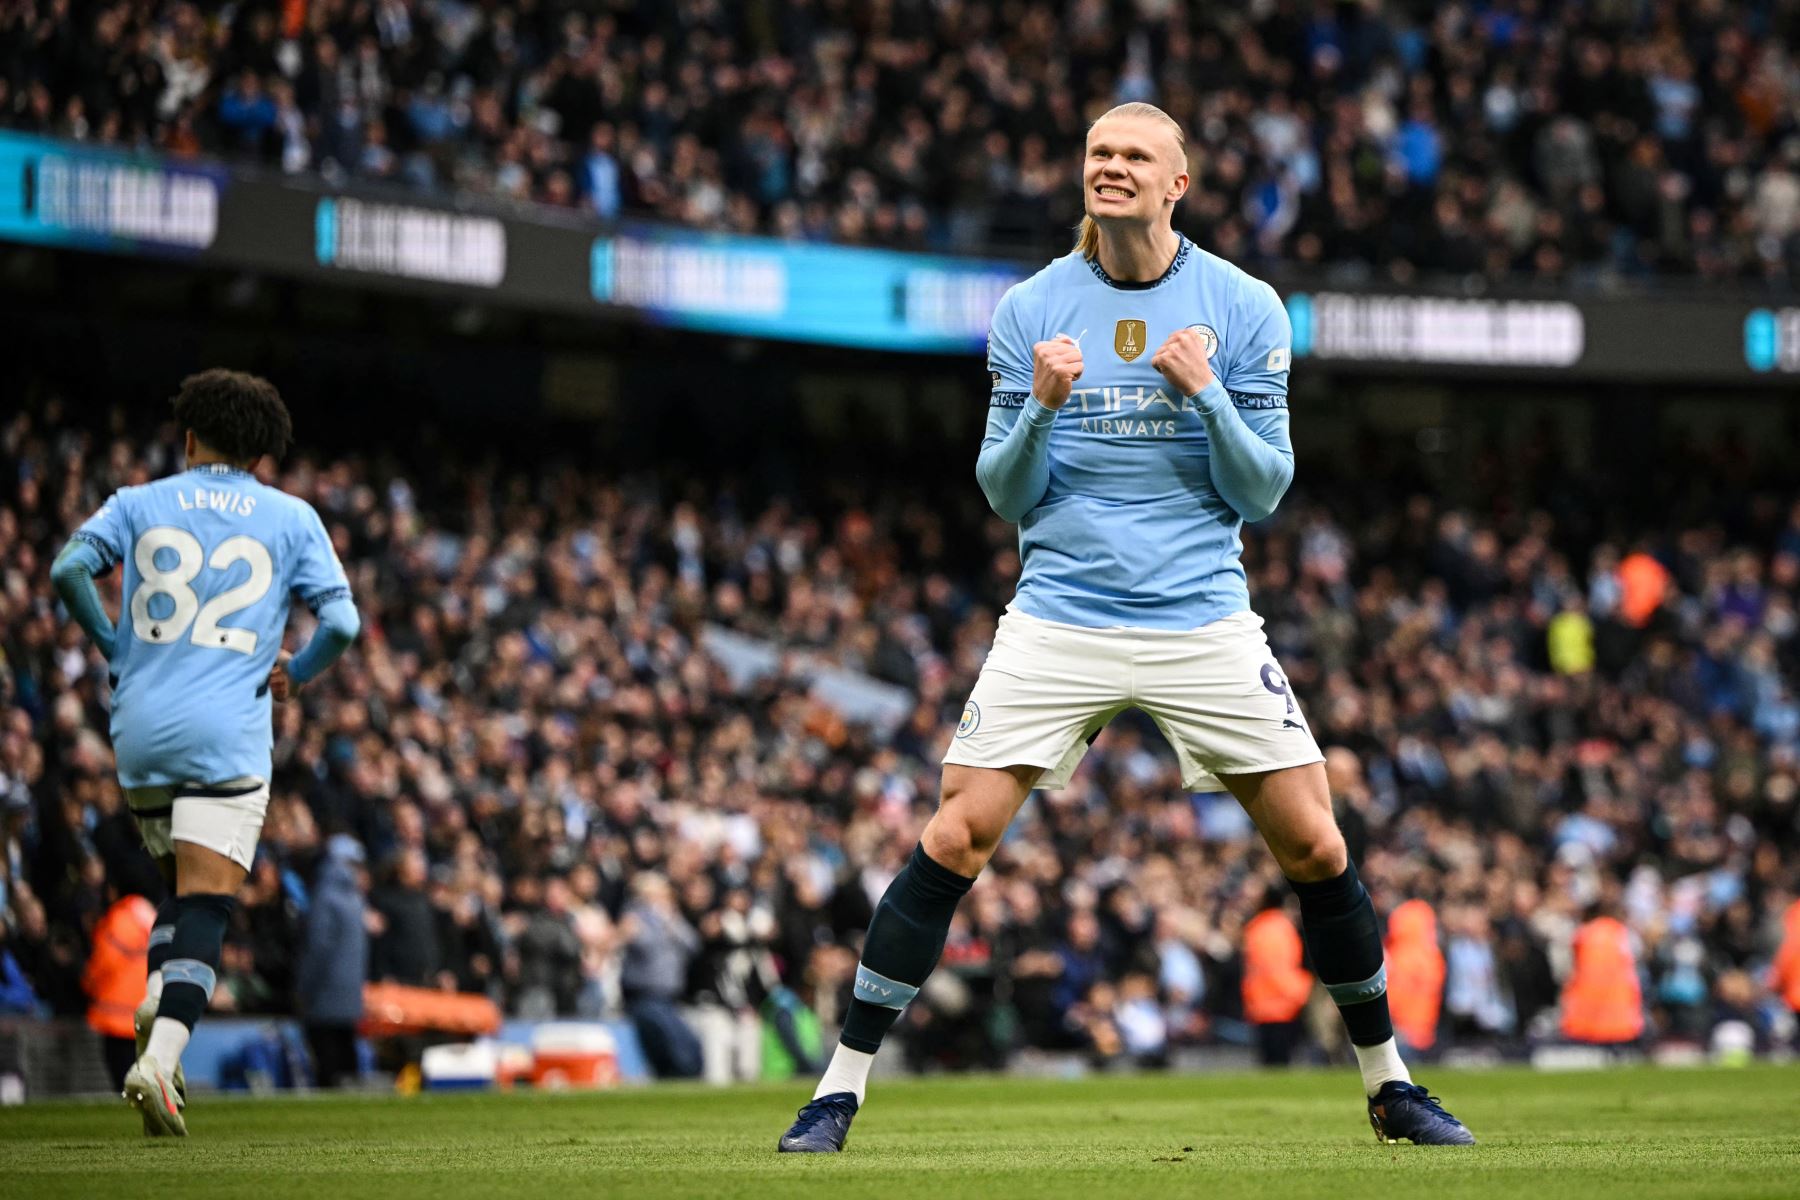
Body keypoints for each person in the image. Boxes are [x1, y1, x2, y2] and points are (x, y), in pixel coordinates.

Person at [780, 102, 1472, 1151]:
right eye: (1099, 153)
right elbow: (1005, 493)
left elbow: (1264, 490)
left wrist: (1205, 396)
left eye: (1133, 155)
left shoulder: (1243, 307)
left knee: (1316, 839)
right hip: (1061, 614)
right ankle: (837, 1092)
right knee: (955, 833)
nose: (1111, 166)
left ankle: (1389, 1084)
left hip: (1202, 616)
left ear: (1176, 184)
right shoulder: (1030, 309)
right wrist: (1046, 405)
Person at [50, 369, 360, 1136]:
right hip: (227, 730)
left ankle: (161, 992)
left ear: (188, 437)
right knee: (211, 908)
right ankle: (159, 1058)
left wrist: (111, 644)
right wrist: (300, 670)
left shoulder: (137, 502)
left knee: (181, 894)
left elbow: (66, 569)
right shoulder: (292, 517)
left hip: (142, 728)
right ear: (265, 453)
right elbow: (343, 623)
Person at [296, 835, 369, 1088]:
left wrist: (304, 988)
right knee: (347, 1055)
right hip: (350, 995)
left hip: (324, 994)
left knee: (327, 1062)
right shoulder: (355, 900)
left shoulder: (325, 897)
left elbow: (318, 948)